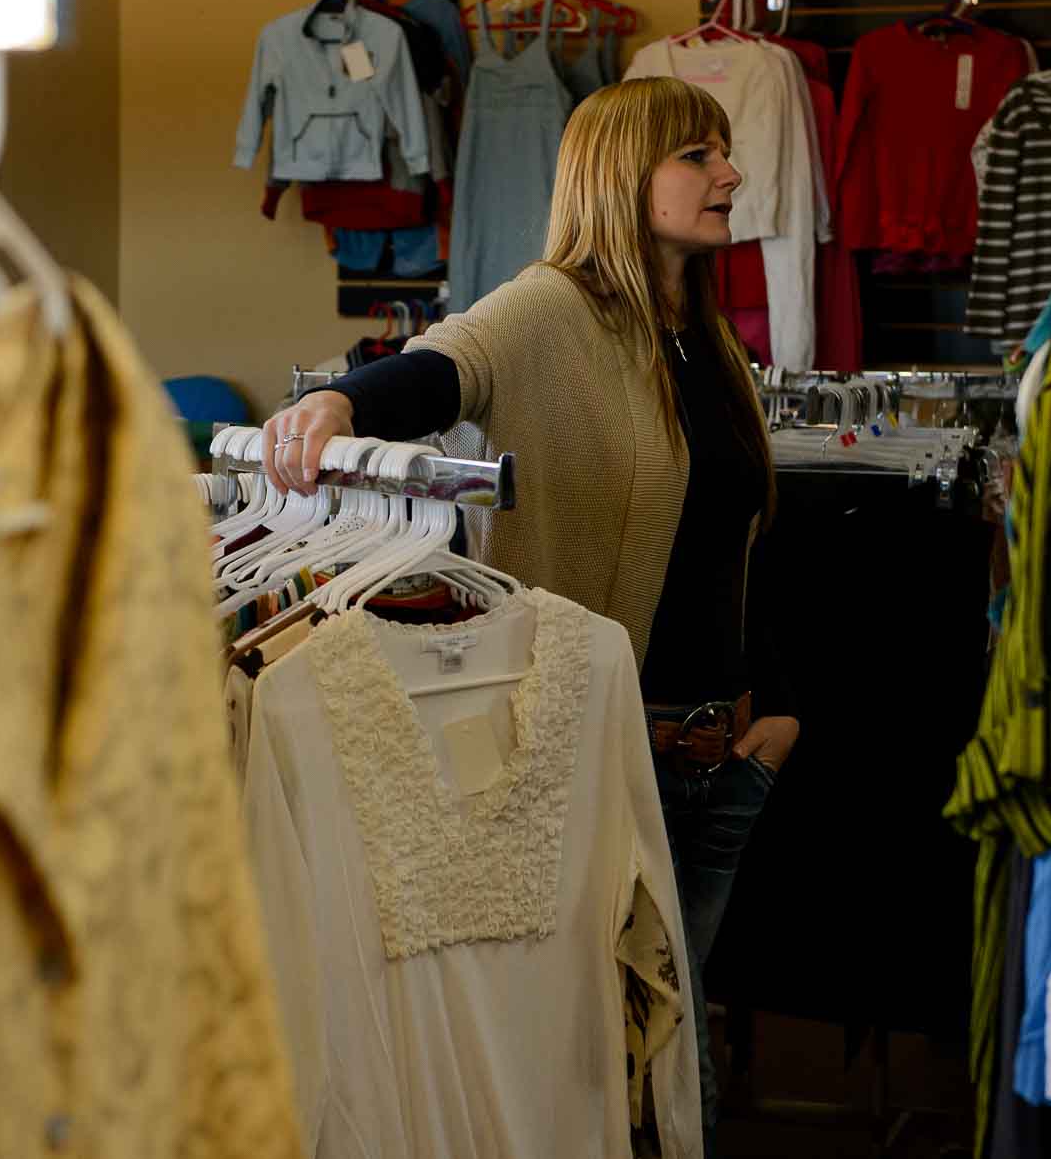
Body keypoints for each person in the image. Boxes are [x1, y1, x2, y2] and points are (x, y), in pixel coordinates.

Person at [261, 74, 799, 1154]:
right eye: (697, 155)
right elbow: (448, 363)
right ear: (620, 175)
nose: (730, 173)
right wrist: (343, 403)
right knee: (620, 1081)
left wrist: (767, 728)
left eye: (723, 152)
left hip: (718, 759)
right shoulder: (555, 309)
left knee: (670, 1075)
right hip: (608, 760)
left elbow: (736, 541)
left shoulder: (707, 337)